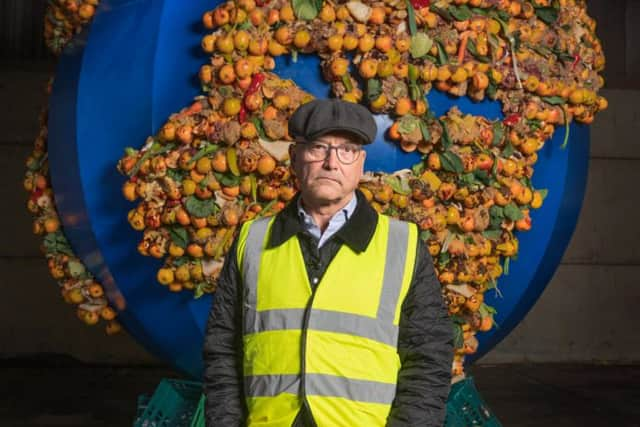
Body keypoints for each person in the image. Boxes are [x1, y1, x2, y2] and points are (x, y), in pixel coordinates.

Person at [203, 98, 453, 426]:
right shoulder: (252, 241)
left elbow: (429, 357)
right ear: (295, 157)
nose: (331, 163)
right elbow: (222, 349)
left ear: (360, 163)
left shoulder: (401, 245)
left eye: (347, 149)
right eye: (318, 147)